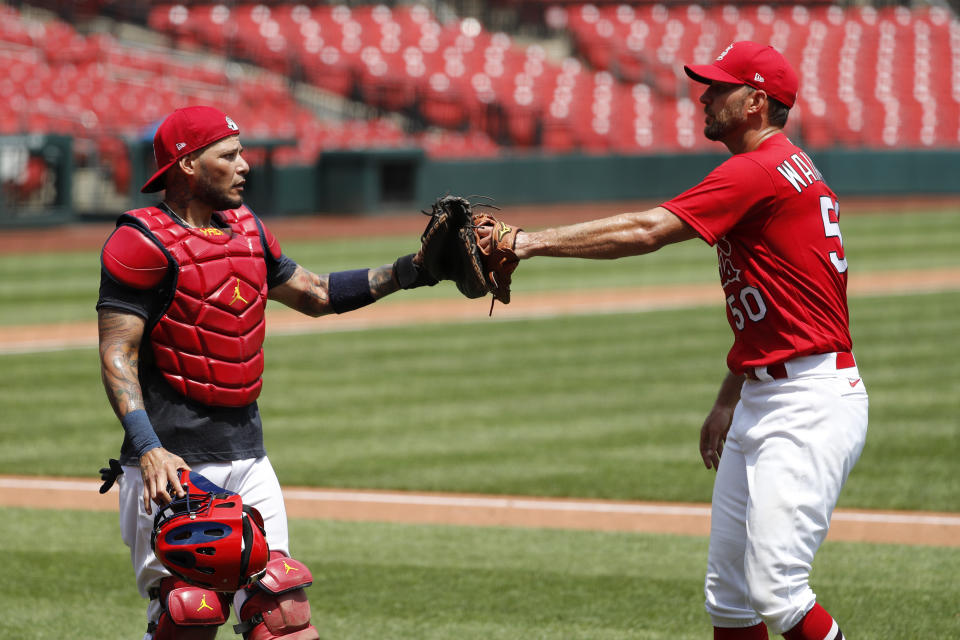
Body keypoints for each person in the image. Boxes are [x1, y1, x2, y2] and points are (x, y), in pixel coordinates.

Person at [487, 42, 867, 640]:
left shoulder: (756, 170)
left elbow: (647, 229)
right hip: (772, 391)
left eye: (720, 87)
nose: (705, 95)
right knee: (731, 599)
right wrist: (728, 397)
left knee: (779, 591)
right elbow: (781, 314)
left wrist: (525, 242)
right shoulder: (790, 166)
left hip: (808, 402)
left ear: (756, 102)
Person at [96, 105, 437, 640]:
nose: (244, 165)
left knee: (281, 614)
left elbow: (318, 293)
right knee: (189, 615)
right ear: (187, 165)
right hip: (171, 467)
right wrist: (149, 446)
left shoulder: (248, 230)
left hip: (250, 456)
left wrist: (413, 270)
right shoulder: (140, 241)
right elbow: (118, 352)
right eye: (228, 156)